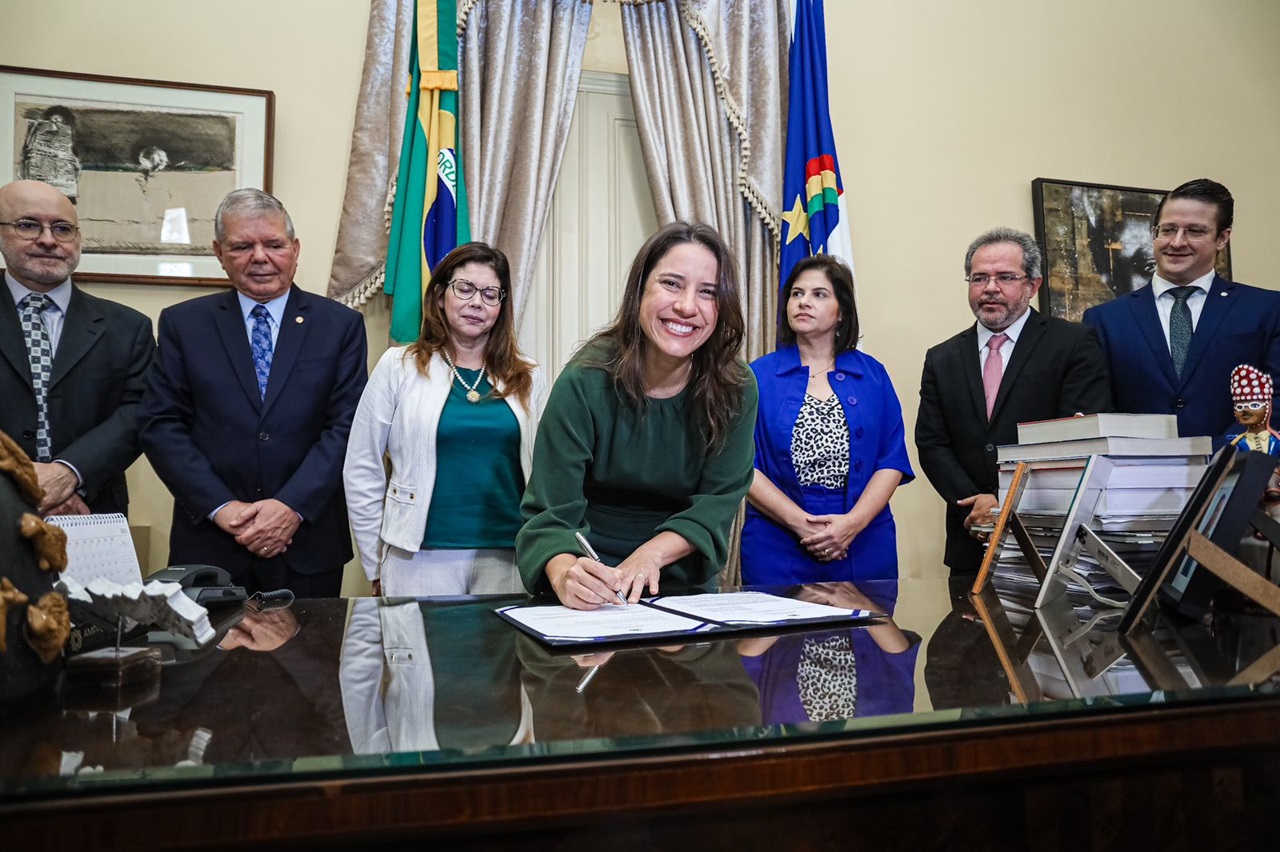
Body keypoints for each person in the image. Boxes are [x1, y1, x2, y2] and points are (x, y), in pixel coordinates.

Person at [516, 222, 758, 610]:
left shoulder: (737, 387)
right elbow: (551, 513)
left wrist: (650, 556)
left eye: (708, 292)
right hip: (589, 578)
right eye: (672, 284)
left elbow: (717, 503)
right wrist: (565, 576)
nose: (687, 306)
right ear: (640, 289)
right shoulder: (584, 380)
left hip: (680, 582)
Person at [139, 188, 368, 597]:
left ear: (295, 249)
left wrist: (290, 508)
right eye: (242, 246)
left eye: (273, 244)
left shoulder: (340, 325)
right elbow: (161, 424)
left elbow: (346, 427)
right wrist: (224, 509)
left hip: (307, 544)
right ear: (219, 252)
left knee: (308, 661)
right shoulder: (183, 324)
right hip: (211, 544)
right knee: (210, 662)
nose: (259, 257)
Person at [343, 242, 546, 597]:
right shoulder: (399, 366)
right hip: (418, 557)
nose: (476, 302)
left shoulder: (528, 376)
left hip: (509, 555)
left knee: (506, 654)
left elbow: (548, 468)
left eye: (490, 294)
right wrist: (374, 563)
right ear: (440, 296)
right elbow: (361, 466)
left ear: (502, 305)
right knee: (419, 653)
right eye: (464, 288)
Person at [916, 227, 1111, 575]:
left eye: (1006, 277)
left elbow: (1078, 440)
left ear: (1032, 285)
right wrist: (977, 504)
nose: (991, 288)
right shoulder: (941, 357)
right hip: (970, 542)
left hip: (1048, 540)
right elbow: (932, 444)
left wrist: (1006, 503)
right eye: (979, 278)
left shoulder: (1073, 344)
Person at [740, 255, 913, 585]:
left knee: (864, 635)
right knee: (780, 636)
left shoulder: (872, 375)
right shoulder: (757, 376)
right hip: (777, 538)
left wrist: (852, 524)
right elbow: (744, 465)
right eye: (796, 293)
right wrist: (802, 524)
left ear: (842, 311)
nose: (804, 302)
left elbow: (891, 460)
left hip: (862, 538)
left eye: (819, 294)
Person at [0, 179, 154, 516]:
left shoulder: (128, 328)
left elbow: (140, 412)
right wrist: (17, 484)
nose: (47, 239)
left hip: (87, 509)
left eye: (63, 228)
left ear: (78, 239)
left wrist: (68, 473)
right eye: (27, 225)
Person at [1083, 179, 1280, 439]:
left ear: (1222, 238)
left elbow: (1275, 399)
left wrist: (1222, 461)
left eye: (1195, 231)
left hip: (1237, 470)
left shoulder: (1266, 309)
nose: (1176, 242)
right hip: (1137, 473)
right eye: (1168, 229)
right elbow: (1099, 411)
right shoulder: (1104, 319)